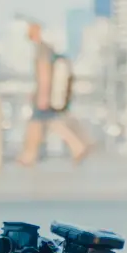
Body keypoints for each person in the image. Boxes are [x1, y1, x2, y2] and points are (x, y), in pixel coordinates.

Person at [17, 21, 94, 167]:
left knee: (46, 122)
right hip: (45, 94)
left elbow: (44, 74)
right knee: (42, 123)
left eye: (30, 30)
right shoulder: (46, 48)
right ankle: (30, 155)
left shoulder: (42, 50)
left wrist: (43, 95)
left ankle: (31, 155)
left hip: (44, 95)